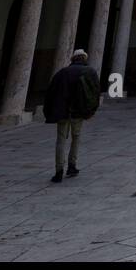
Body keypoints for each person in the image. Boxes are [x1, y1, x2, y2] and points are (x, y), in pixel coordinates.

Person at [43, 48, 100, 183]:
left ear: (73, 59)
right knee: (76, 138)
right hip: (79, 112)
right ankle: (72, 165)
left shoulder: (62, 73)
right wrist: (91, 111)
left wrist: (50, 112)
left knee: (61, 140)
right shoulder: (90, 72)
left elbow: (51, 94)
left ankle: (58, 171)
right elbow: (95, 94)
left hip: (63, 112)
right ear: (84, 59)